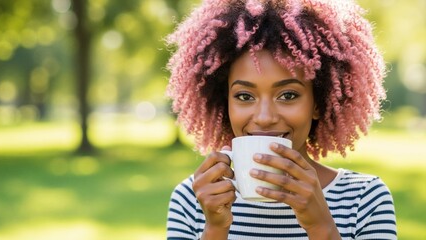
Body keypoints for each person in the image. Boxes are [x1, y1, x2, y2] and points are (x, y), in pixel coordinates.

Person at [165, 0, 397, 239]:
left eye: (288, 95)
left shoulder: (364, 199)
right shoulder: (192, 200)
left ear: (318, 103)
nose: (265, 118)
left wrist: (321, 227)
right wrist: (214, 229)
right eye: (244, 96)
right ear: (226, 104)